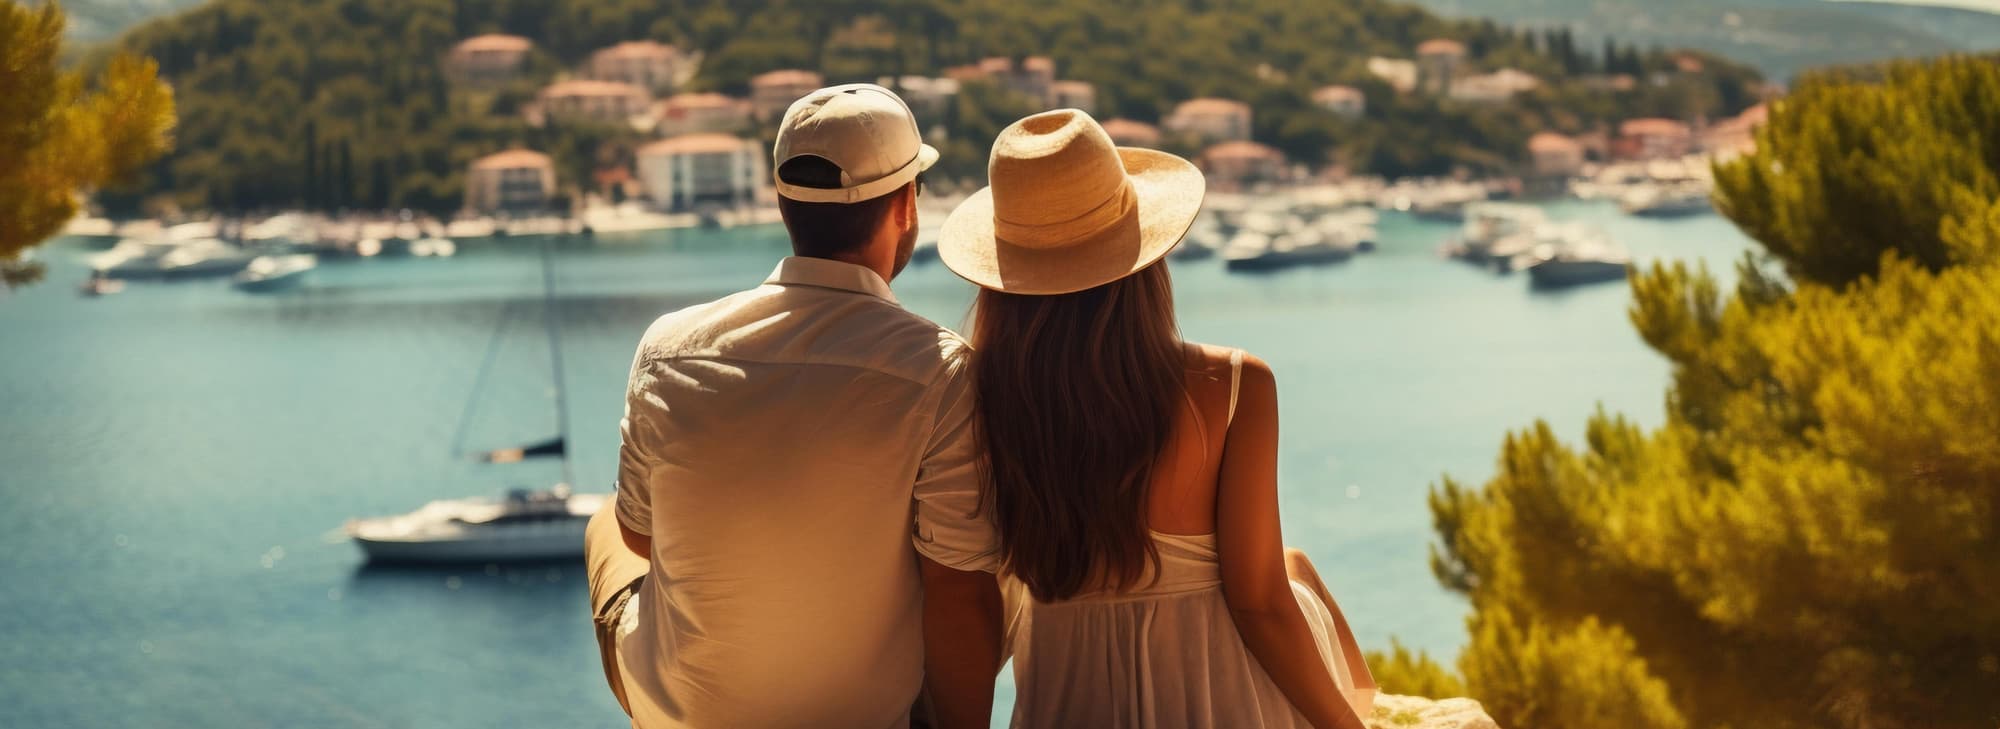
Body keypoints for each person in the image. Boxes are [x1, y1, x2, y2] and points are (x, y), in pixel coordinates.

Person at [931, 109, 1379, 728]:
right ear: (1143, 255)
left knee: (1295, 565)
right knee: (1292, 575)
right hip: (1217, 698)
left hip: (1067, 695)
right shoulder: (1234, 387)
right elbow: (1259, 606)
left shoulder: (975, 396)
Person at [584, 83, 1005, 729]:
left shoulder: (668, 346)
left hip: (683, 711)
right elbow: (961, 596)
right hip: (864, 713)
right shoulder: (942, 371)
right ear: (904, 204)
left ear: (784, 205)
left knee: (605, 522)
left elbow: (640, 536)